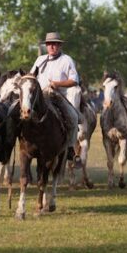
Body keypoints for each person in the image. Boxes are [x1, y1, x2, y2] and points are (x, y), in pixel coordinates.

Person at [30, 32, 80, 165]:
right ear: (46, 46)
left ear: (59, 45)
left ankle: (70, 148)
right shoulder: (40, 60)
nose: (52, 46)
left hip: (57, 95)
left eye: (55, 44)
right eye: (49, 44)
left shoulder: (67, 60)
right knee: (17, 112)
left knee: (74, 117)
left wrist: (57, 84)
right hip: (38, 96)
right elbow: (31, 76)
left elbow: (74, 80)